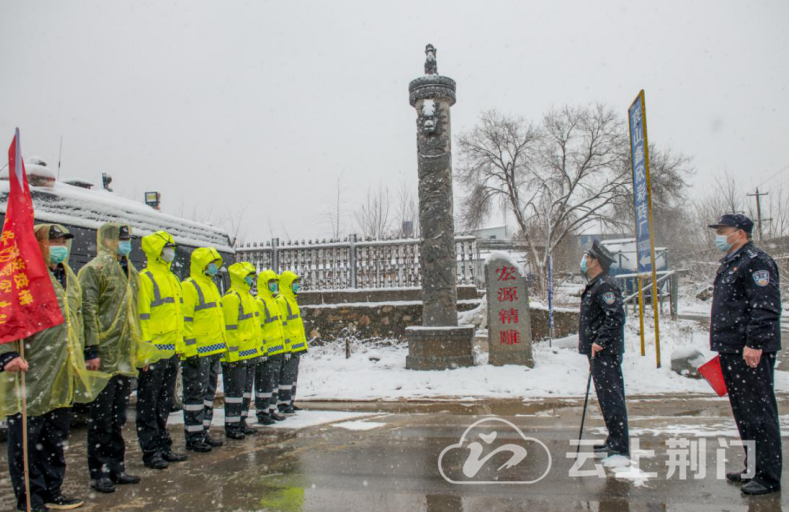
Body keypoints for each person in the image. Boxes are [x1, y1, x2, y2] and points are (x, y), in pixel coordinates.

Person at [1, 224, 108, 511]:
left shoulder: (68, 275)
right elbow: (5, 316)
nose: (61, 246)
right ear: (38, 244)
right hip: (31, 370)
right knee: (26, 441)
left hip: (62, 372)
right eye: (54, 241)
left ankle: (52, 491)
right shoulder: (20, 277)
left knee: (55, 438)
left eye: (63, 241)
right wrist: (6, 355)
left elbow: (79, 316)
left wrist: (88, 351)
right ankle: (30, 499)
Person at [708, 214, 782, 495]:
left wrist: (756, 343)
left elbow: (765, 306)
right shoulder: (731, 262)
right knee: (745, 414)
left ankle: (768, 475)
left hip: (749, 350)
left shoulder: (756, 261)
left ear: (740, 233)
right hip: (732, 348)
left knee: (760, 413)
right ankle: (753, 467)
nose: (718, 235)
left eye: (722, 230)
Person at [79, 223, 145, 493]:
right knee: (101, 418)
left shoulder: (129, 271)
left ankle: (116, 467)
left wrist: (139, 351)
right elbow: (87, 310)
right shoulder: (94, 270)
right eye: (121, 239)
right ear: (107, 241)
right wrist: (91, 349)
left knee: (118, 417)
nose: (126, 243)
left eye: (128, 239)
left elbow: (136, 313)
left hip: (124, 356)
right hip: (103, 356)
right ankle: (100, 471)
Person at [136, 231, 188, 469]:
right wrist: (144, 353)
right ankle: (150, 451)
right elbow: (142, 317)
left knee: (164, 403)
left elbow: (177, 316)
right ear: (157, 250)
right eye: (168, 247)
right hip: (154, 352)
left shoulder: (172, 278)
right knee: (149, 403)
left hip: (171, 352)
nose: (172, 251)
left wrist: (180, 347)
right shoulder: (145, 278)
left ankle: (163, 446)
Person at [577, 240, 628, 458]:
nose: (585, 260)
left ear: (596, 261)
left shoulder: (605, 285)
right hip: (598, 351)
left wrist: (601, 341)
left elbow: (615, 316)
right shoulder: (597, 283)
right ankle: (613, 439)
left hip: (604, 351)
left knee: (612, 397)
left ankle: (619, 443)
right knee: (606, 398)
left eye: (588, 257)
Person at [180, 247, 228, 452]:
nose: (214, 267)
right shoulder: (189, 286)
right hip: (198, 351)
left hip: (213, 349)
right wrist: (190, 351)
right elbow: (186, 320)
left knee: (208, 394)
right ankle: (193, 435)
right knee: (195, 394)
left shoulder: (212, 286)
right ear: (202, 264)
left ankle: (203, 430)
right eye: (211, 263)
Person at [221, 262, 262, 439]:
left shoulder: (249, 297)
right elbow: (230, 329)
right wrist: (232, 355)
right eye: (249, 276)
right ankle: (231, 425)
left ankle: (241, 420)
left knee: (245, 391)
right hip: (236, 356)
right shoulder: (232, 298)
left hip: (250, 353)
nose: (252, 279)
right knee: (234, 392)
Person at [254, 269, 287, 425]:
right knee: (265, 382)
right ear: (264, 284)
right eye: (271, 282)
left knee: (273, 382)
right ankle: (262, 411)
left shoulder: (274, 301)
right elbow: (259, 327)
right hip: (267, 350)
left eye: (275, 282)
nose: (274, 285)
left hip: (277, 349)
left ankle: (271, 409)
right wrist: (262, 349)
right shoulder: (260, 302)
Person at [276, 271, 308, 414]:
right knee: (286, 376)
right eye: (294, 283)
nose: (297, 285)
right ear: (287, 284)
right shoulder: (282, 300)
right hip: (289, 346)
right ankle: (283, 403)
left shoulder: (291, 300)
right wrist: (287, 347)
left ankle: (289, 401)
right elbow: (283, 326)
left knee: (292, 376)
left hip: (296, 346)